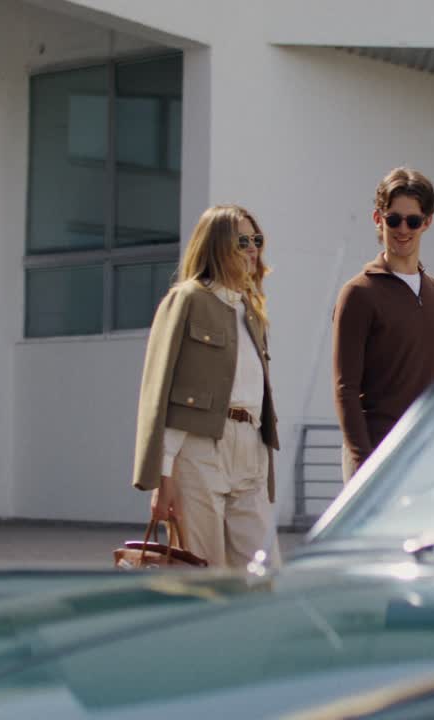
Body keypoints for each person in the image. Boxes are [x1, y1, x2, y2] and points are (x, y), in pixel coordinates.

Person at [132, 204, 280, 568]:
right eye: (241, 241)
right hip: (199, 451)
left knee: (263, 574)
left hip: (250, 448)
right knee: (203, 573)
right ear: (216, 247)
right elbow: (160, 389)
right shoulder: (187, 299)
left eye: (256, 240)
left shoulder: (250, 310)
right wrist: (161, 477)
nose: (251, 249)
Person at [333, 167, 434, 482]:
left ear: (427, 222)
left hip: (426, 451)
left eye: (413, 221)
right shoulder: (358, 293)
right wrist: (362, 462)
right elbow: (346, 389)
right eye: (393, 219)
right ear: (378, 219)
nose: (403, 229)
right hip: (375, 453)